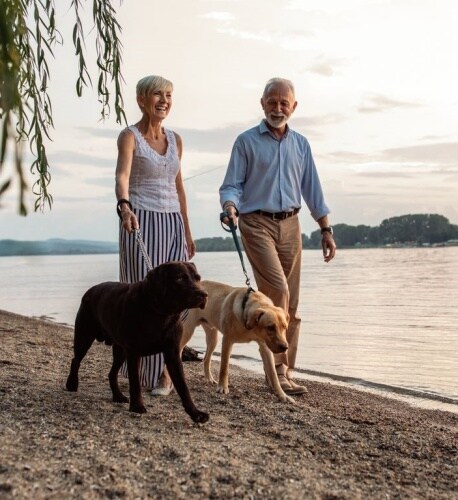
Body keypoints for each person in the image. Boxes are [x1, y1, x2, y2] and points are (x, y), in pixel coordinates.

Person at [219, 77, 336, 395]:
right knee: (279, 292)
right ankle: (278, 375)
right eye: (272, 101)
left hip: (291, 225)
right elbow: (232, 184)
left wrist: (325, 229)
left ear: (294, 107)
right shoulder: (246, 142)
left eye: (285, 102)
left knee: (292, 305)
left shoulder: (301, 144)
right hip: (256, 223)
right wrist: (229, 206)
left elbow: (313, 188)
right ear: (262, 103)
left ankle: (286, 369)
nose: (278, 107)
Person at [115, 75, 196, 396]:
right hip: (141, 221)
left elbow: (179, 186)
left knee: (182, 299)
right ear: (141, 100)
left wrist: (187, 229)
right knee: (142, 299)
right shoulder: (129, 136)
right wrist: (124, 206)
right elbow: (122, 176)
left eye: (169, 95)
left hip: (173, 222)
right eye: (157, 95)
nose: (164, 100)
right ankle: (144, 373)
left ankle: (164, 370)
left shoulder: (176, 139)